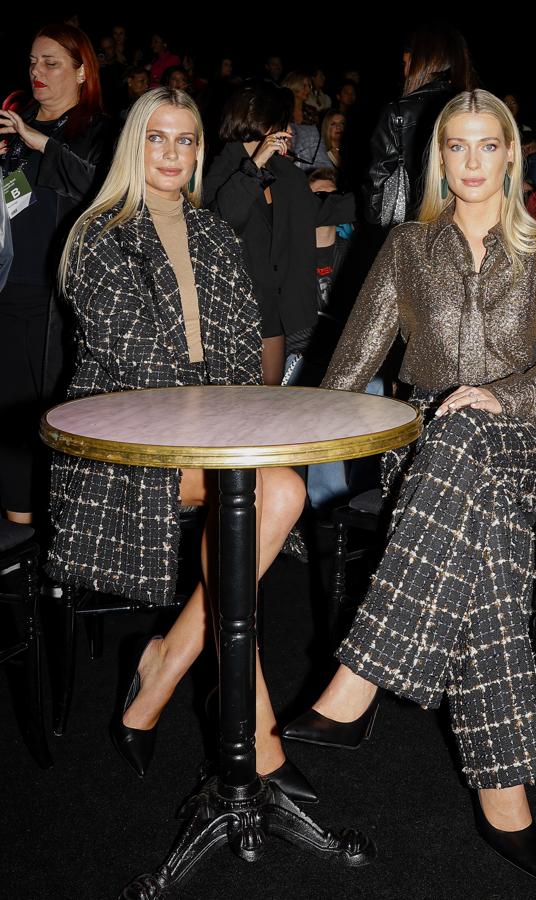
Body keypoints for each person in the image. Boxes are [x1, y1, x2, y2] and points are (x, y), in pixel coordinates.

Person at [283, 90, 536, 880]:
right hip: (426, 454)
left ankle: (359, 680)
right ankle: (504, 790)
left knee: (468, 434)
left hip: (524, 440)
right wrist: (288, 438)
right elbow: (351, 361)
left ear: (511, 155)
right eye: (458, 147)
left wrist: (500, 396)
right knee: (475, 516)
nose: (473, 163)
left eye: (489, 147)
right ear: (439, 157)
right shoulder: (408, 247)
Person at [46, 88, 314, 802]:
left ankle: (166, 668)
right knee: (272, 491)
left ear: (201, 151)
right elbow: (137, 363)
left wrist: (239, 422)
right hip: (120, 448)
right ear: (136, 144)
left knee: (275, 489)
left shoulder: (215, 236)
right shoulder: (98, 235)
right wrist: (226, 425)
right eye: (158, 138)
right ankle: (255, 739)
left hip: (204, 439)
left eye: (186, 140)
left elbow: (234, 359)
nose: (171, 153)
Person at [0, 23, 110, 526]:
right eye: (32, 62)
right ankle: (17, 524)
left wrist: (42, 145)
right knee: (8, 410)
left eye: (51, 63)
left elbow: (104, 191)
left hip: (55, 296)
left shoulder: (98, 130)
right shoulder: (11, 122)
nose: (37, 73)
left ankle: (55, 531)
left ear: (82, 70)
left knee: (45, 411)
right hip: (7, 281)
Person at [203, 81, 355, 385]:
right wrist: (255, 165)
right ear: (262, 120)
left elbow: (321, 210)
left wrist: (381, 198)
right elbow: (223, 219)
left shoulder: (285, 172)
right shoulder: (221, 168)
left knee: (270, 406)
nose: (290, 130)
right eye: (284, 122)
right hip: (233, 312)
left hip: (275, 310)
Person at [364, 22, 473, 226]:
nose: (405, 73)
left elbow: (377, 184)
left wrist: (375, 227)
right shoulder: (475, 107)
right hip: (467, 222)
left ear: (423, 63)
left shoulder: (398, 112)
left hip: (414, 225)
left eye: (406, 64)